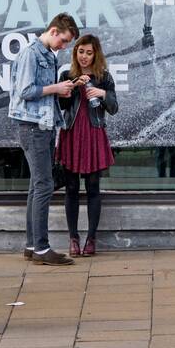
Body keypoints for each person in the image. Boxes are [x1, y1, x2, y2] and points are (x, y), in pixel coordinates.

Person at [10, 13, 79, 266]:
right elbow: (25, 91)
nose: (64, 46)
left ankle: (32, 245)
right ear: (53, 31)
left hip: (43, 125)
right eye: (63, 40)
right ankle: (41, 247)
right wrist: (57, 89)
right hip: (33, 126)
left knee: (37, 185)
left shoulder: (46, 54)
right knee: (44, 186)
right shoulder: (31, 53)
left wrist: (65, 88)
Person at [56, 34, 117, 258]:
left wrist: (103, 94)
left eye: (89, 52)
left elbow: (114, 108)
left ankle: (91, 238)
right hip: (71, 134)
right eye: (80, 52)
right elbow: (61, 104)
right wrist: (72, 85)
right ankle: (73, 238)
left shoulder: (104, 77)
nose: (84, 56)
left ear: (95, 54)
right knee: (71, 188)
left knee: (93, 188)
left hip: (93, 134)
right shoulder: (67, 75)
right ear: (75, 53)